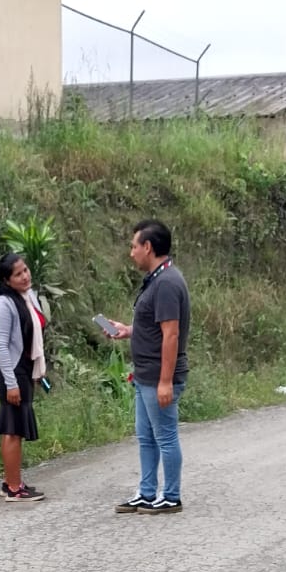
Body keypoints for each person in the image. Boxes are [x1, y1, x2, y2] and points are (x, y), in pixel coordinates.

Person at [108, 219, 190, 516]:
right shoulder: (157, 279)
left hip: (158, 376)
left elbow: (171, 334)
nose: (131, 253)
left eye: (134, 246)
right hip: (145, 375)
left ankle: (171, 495)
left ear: (148, 247)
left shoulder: (167, 283)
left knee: (165, 436)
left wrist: (165, 381)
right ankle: (146, 492)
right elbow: (155, 326)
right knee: (146, 437)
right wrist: (127, 331)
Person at [0, 252, 48, 502]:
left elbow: (33, 336)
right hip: (10, 371)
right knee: (13, 429)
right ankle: (14, 488)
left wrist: (36, 370)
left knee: (13, 428)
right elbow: (2, 346)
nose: (25, 276)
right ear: (6, 280)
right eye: (18, 274)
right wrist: (11, 383)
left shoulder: (28, 296)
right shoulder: (3, 304)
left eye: (25, 270)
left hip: (23, 368)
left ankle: (11, 483)